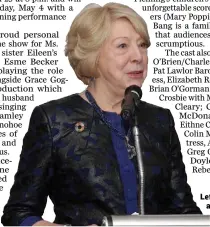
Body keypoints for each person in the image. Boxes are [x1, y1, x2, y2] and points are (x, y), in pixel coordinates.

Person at [1, 2, 202, 226]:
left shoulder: (160, 120)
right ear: (94, 55)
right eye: (122, 46)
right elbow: (18, 214)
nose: (138, 56)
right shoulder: (54, 119)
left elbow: (186, 213)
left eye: (143, 45)